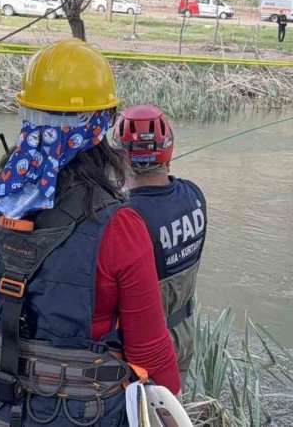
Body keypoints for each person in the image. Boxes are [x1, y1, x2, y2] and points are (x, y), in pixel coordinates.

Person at [0, 39, 180, 427]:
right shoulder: (119, 227)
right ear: (103, 124)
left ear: (26, 115)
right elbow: (150, 351)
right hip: (86, 415)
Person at [112, 104, 207, 384]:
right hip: (184, 333)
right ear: (169, 150)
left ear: (118, 155)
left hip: (144, 348)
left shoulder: (124, 218)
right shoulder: (194, 196)